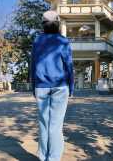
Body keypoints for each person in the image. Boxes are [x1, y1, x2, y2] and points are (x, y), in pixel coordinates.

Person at [31, 10, 74, 161]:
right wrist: (72, 87)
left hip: (41, 87)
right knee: (56, 125)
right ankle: (54, 158)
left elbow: (33, 65)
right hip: (60, 87)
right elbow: (69, 66)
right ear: (57, 24)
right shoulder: (63, 41)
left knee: (44, 124)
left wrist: (33, 87)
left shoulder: (37, 41)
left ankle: (43, 158)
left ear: (43, 25)